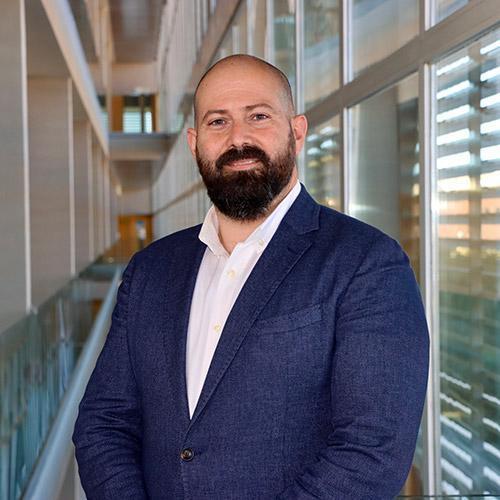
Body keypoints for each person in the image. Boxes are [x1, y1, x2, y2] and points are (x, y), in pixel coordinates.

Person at [73, 55, 429, 499]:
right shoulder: (150, 269)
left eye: (258, 116)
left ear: (296, 132)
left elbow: (371, 452)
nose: (238, 138)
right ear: (194, 143)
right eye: (217, 121)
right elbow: (104, 421)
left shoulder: (366, 262)